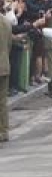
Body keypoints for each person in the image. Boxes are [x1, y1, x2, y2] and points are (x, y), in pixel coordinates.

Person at [0, 9, 12, 145]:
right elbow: (9, 45)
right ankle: (4, 131)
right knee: (2, 101)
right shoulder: (7, 22)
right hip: (4, 65)